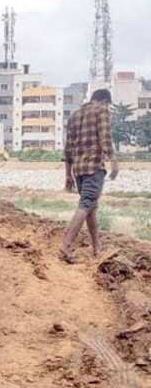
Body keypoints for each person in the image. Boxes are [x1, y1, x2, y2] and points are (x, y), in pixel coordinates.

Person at [61, 89, 118, 263]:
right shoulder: (102, 111)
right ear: (104, 101)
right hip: (93, 167)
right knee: (86, 204)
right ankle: (66, 245)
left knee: (91, 208)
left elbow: (68, 149)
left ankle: (96, 248)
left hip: (78, 170)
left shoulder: (75, 115)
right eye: (107, 104)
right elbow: (105, 138)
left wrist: (68, 176)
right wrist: (114, 161)